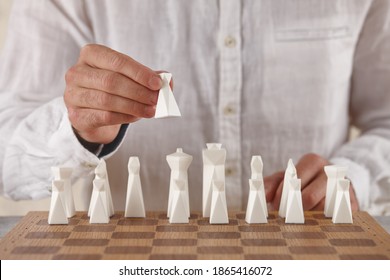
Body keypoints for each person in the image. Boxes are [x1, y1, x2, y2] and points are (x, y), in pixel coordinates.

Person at [0, 0, 389, 216]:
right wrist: (77, 127)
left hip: (309, 259)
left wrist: (352, 176)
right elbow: (8, 159)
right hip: (134, 259)